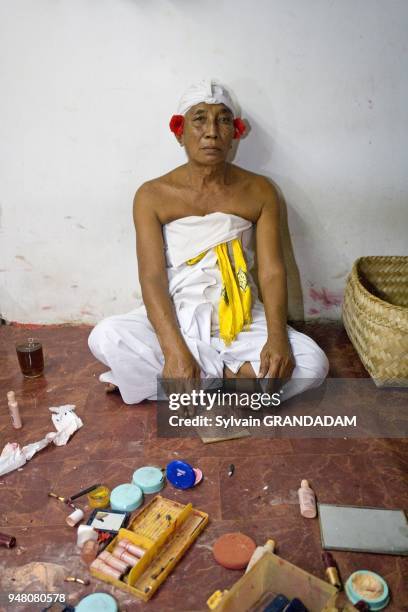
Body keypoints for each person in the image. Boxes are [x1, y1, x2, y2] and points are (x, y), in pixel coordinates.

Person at [88, 79, 329, 404]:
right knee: (105, 337)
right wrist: (174, 349)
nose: (212, 131)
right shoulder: (152, 195)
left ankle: (180, 379)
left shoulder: (260, 191)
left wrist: (276, 338)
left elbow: (272, 272)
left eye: (223, 119)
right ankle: (229, 380)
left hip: (242, 317)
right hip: (178, 313)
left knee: (313, 364)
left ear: (235, 132)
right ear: (179, 131)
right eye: (200, 118)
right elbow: (153, 278)